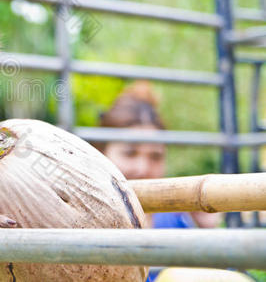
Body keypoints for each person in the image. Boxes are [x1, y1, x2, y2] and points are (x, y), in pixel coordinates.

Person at [94, 81, 220, 281]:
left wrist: (208, 234)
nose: (143, 169)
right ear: (101, 153)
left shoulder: (178, 220)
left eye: (155, 157)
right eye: (130, 153)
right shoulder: (85, 224)